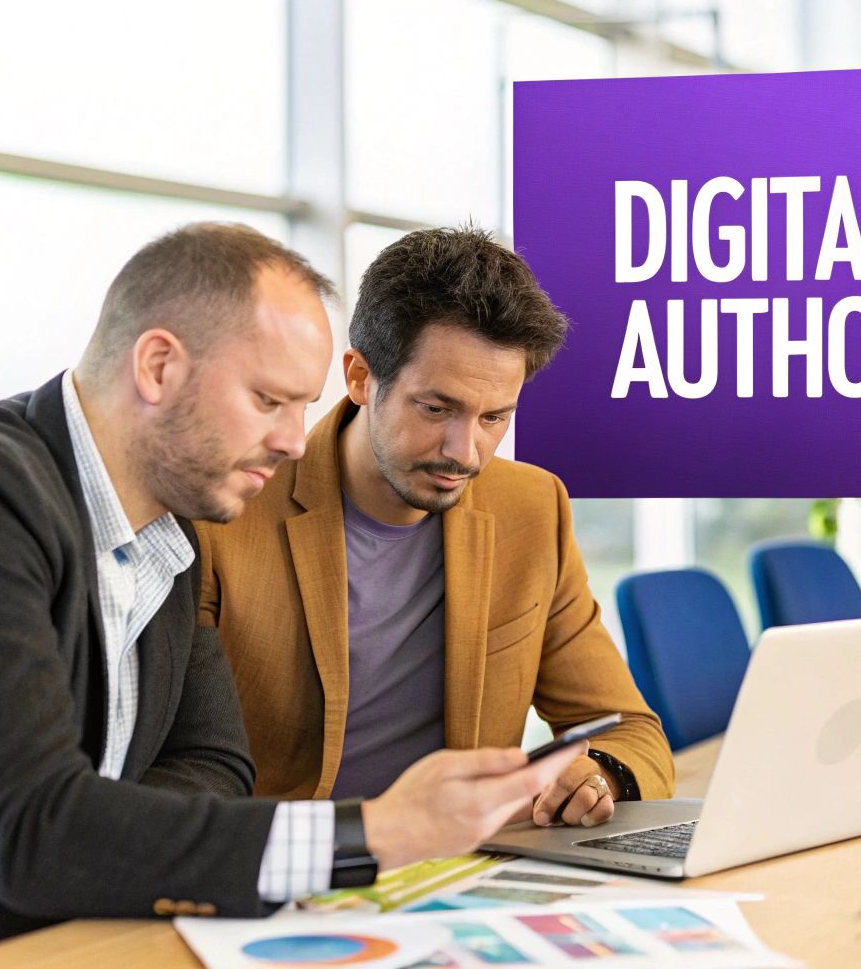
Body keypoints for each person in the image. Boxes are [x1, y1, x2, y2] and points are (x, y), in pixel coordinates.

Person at [0, 223, 582, 969]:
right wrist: (377, 831)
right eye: (270, 400)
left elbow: (217, 768)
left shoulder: (169, 532)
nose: (290, 439)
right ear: (158, 368)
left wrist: (97, 829)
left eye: (300, 407)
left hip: (71, 937)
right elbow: (31, 828)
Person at [196, 226, 673, 830]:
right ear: (361, 377)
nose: (465, 452)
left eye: (494, 416)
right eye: (436, 408)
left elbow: (632, 730)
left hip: (466, 868)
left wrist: (593, 774)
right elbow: (176, 772)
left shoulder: (532, 508)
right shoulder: (227, 512)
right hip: (284, 872)